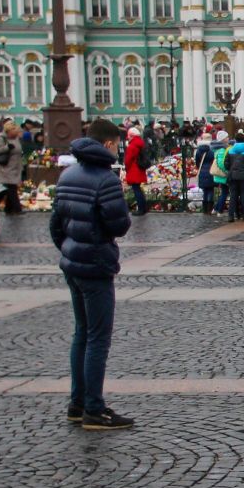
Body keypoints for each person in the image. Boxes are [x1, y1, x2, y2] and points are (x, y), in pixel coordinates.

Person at [50, 119, 133, 430]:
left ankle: (78, 402)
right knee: (98, 338)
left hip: (73, 263)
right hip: (96, 265)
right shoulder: (105, 179)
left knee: (81, 334)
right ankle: (95, 410)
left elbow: (55, 225)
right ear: (109, 144)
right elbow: (119, 225)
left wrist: (70, 248)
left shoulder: (67, 175)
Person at [0, 120, 25, 215]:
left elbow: (18, 150)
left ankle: (8, 209)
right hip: (5, 167)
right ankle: (17, 209)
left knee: (10, 188)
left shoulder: (15, 138)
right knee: (11, 187)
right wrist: (7, 148)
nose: (16, 133)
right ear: (8, 131)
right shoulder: (2, 138)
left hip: (15, 166)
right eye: (14, 131)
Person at [123, 125, 151, 215]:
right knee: (138, 189)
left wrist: (126, 168)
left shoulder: (132, 146)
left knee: (136, 190)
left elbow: (127, 160)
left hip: (133, 170)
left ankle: (141, 209)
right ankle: (143, 208)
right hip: (139, 169)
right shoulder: (140, 143)